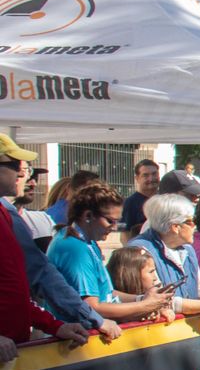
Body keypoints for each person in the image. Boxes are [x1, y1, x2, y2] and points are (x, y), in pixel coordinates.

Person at [0, 136, 118, 340]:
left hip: (15, 351)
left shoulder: (7, 215)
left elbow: (24, 286)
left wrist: (55, 326)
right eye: (13, 164)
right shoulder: (70, 244)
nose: (22, 172)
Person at [48, 183, 176, 325]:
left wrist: (142, 299)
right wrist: (145, 306)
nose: (114, 227)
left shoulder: (87, 241)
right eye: (110, 221)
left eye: (117, 221)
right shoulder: (75, 248)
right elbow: (91, 307)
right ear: (88, 216)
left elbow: (107, 294)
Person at [0, 203, 89, 362]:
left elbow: (13, 296)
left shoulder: (5, 213)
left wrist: (55, 326)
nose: (26, 176)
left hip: (14, 358)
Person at [128, 194, 200, 319]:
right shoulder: (141, 251)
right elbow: (160, 301)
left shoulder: (187, 249)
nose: (195, 227)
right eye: (192, 222)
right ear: (176, 227)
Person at [107, 246, 179, 322]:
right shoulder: (112, 307)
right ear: (132, 275)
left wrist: (158, 310)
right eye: (151, 272)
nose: (155, 278)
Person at [120, 159, 162, 242]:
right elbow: (124, 234)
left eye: (154, 174)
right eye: (145, 175)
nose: (151, 178)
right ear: (137, 178)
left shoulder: (165, 200)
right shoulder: (130, 203)